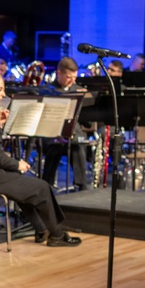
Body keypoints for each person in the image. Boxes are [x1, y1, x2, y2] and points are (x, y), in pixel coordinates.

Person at [0, 73, 80, 246]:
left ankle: (41, 229)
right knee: (41, 187)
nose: (3, 94)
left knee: (24, 187)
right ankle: (57, 235)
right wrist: (17, 164)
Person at [41, 56, 90, 190]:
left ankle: (81, 185)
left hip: (74, 135)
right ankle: (47, 185)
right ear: (59, 73)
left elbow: (87, 120)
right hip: (53, 135)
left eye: (75, 77)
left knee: (78, 146)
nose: (72, 81)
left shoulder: (79, 90)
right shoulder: (47, 90)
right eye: (69, 77)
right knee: (53, 148)